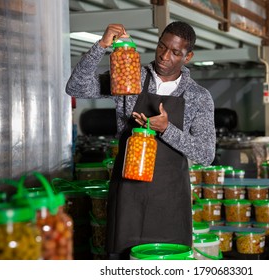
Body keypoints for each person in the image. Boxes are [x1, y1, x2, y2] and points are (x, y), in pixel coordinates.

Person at [65, 21, 216, 259]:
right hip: (128, 195)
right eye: (162, 47)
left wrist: (167, 129)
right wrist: (102, 45)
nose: (165, 56)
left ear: (188, 57)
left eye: (175, 52)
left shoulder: (198, 96)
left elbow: (206, 155)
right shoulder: (130, 75)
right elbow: (76, 87)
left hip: (170, 201)